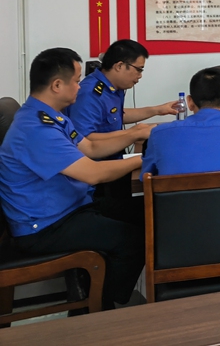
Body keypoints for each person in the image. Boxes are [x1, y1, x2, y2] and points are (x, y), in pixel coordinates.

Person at [0, 48, 151, 310]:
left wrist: (138, 133)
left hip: (71, 206)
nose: (80, 87)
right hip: (46, 226)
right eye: (77, 80)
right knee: (133, 240)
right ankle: (100, 307)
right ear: (57, 85)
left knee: (148, 211)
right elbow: (93, 172)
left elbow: (91, 148)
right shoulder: (36, 129)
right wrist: (146, 160)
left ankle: (101, 298)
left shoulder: (51, 116)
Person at [66, 39, 178, 197]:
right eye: (138, 70)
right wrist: (134, 133)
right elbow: (85, 140)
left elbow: (116, 116)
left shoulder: (113, 87)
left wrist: (158, 110)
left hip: (114, 158)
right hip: (98, 171)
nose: (139, 76)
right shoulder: (90, 93)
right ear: (119, 66)